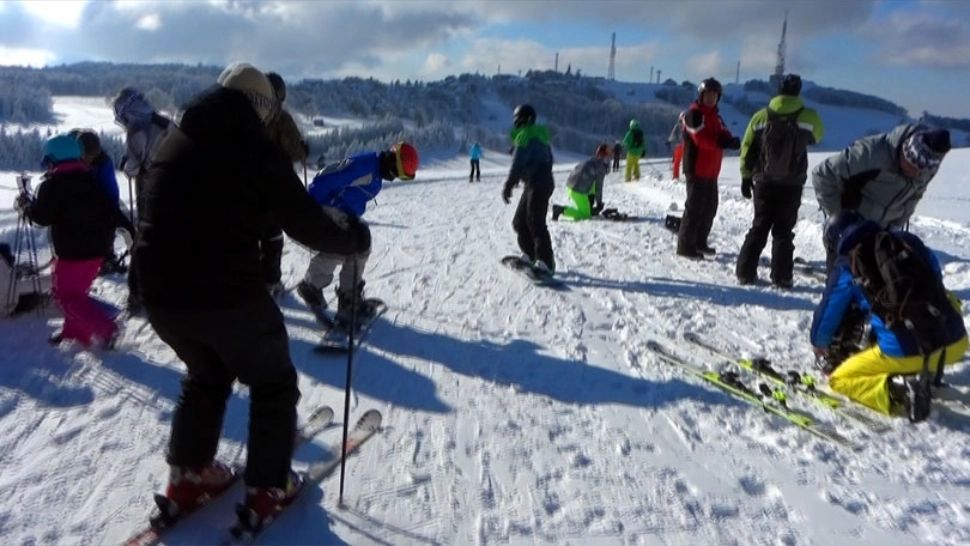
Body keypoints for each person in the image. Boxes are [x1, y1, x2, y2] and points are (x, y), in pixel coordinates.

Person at [134, 62, 370, 527]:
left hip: (160, 291)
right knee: (273, 380)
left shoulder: (177, 139)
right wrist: (353, 239)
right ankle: (268, 487)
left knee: (207, 373)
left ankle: (190, 474)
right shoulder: (253, 148)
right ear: (261, 106)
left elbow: (192, 206)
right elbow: (305, 221)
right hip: (224, 291)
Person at [810, 218, 967, 417]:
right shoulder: (908, 242)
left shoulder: (848, 263)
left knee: (839, 379)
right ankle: (931, 372)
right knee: (943, 298)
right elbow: (935, 279)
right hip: (955, 343)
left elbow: (828, 313)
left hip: (907, 352)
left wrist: (819, 343)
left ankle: (899, 390)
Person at [297, 141, 418, 327]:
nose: (393, 178)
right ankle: (313, 286)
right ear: (394, 164)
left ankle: (347, 297)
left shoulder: (376, 172)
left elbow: (350, 197)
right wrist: (314, 208)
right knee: (346, 243)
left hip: (337, 211)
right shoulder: (366, 167)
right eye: (397, 174)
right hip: (319, 208)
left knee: (361, 240)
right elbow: (327, 177)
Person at [16, 135, 119, 346]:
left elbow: (42, 217)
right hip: (97, 250)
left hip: (73, 253)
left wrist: (26, 207)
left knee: (65, 297)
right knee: (77, 294)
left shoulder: (53, 185)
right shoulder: (92, 180)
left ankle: (107, 328)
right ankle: (76, 333)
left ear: (54, 159)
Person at [812, 124, 950, 269]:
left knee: (876, 282)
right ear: (905, 150)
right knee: (844, 278)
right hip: (849, 227)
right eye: (911, 164)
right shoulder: (871, 153)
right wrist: (838, 219)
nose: (915, 172)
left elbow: (914, 196)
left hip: (881, 231)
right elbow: (822, 174)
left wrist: (895, 227)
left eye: (921, 169)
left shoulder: (927, 166)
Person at [735, 74, 824, 287]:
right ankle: (782, 277)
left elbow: (747, 147)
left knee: (759, 226)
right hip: (792, 183)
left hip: (763, 181)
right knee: (784, 231)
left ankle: (745, 273)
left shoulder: (760, 117)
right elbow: (818, 136)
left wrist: (746, 177)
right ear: (798, 91)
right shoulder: (809, 117)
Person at [112, 87, 173, 313]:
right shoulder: (164, 122)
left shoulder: (137, 129)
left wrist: (125, 163)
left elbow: (133, 167)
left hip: (152, 188)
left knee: (145, 239)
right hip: (177, 187)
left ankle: (137, 293)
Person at [677, 77, 740, 259]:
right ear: (701, 95)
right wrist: (721, 142)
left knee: (710, 208)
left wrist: (730, 140)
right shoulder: (694, 114)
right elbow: (700, 139)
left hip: (711, 170)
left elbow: (723, 131)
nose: (711, 99)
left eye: (714, 95)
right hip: (696, 168)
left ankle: (699, 241)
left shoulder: (715, 116)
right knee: (694, 208)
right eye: (708, 95)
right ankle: (685, 245)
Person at [261, 72, 310, 296]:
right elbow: (295, 150)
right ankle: (270, 283)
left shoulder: (248, 115)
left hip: (243, 184)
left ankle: (247, 281)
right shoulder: (280, 118)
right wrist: (303, 150)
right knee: (272, 236)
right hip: (273, 186)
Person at [70, 129, 135, 275]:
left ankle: (106, 255)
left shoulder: (103, 162)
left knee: (106, 223)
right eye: (87, 156)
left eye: (92, 157)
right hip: (83, 201)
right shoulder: (70, 155)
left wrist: (113, 214)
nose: (89, 160)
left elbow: (110, 192)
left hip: (102, 199)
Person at [501, 104, 556, 279]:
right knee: (519, 221)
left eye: (518, 119)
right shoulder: (538, 137)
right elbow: (547, 158)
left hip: (539, 182)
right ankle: (531, 255)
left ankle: (545, 262)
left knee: (535, 221)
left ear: (526, 119)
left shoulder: (525, 135)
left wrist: (509, 184)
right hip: (535, 182)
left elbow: (517, 164)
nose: (516, 123)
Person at [551, 144, 610, 221]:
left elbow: (591, 184)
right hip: (577, 190)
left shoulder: (592, 161)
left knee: (587, 207)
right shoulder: (600, 168)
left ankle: (587, 207)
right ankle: (560, 210)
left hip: (570, 186)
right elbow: (598, 187)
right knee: (585, 215)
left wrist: (590, 204)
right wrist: (599, 203)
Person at [1, 242, 51, 318]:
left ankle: (20, 271)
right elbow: (29, 285)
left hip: (7, 289)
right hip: (8, 305)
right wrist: (54, 280)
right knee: (33, 297)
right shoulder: (8, 283)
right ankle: (47, 299)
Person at [667, 112, 685, 180]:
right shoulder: (689, 125)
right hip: (686, 147)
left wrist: (669, 141)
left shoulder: (677, 126)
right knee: (687, 162)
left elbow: (673, 135)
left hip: (678, 146)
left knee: (676, 162)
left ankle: (675, 177)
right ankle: (688, 177)